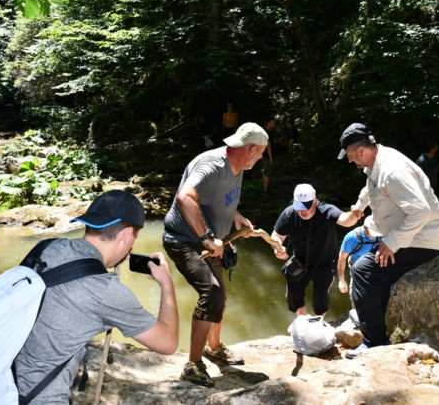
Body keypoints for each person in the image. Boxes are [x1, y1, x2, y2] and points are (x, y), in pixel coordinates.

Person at [14, 190, 179, 404]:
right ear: (125, 235)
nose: (132, 246)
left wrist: (104, 263)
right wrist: (166, 283)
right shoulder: (106, 291)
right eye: (134, 238)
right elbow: (168, 343)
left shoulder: (47, 247)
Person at [162, 122, 268, 387]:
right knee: (212, 293)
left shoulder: (239, 165)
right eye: (261, 153)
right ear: (251, 149)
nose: (262, 158)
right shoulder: (212, 165)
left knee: (220, 293)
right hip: (184, 239)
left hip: (212, 241)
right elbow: (186, 197)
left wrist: (238, 217)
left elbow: (221, 199)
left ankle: (214, 347)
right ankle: (192, 365)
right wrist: (207, 237)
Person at [337, 123, 439, 358]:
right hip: (411, 235)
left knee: (363, 271)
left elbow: (420, 211)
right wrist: (358, 208)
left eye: (349, 156)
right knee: (375, 272)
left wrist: (392, 242)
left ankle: (374, 343)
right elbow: (371, 188)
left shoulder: (393, 171)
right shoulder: (378, 161)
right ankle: (374, 323)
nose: (349, 161)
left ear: (360, 151)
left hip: (424, 239)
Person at [271, 183, 359, 320]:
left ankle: (317, 322)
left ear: (315, 201)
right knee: (293, 293)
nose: (302, 211)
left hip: (325, 262)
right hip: (300, 259)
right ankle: (303, 320)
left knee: (320, 297)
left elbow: (345, 221)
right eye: (299, 207)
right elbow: (276, 235)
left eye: (306, 206)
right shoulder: (289, 214)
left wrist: (354, 215)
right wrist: (278, 247)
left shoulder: (326, 210)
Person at [337, 215, 382, 325]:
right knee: (357, 298)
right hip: (357, 270)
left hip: (376, 269)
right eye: (372, 233)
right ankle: (358, 320)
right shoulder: (352, 237)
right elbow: (342, 258)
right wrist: (341, 279)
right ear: (365, 227)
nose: (374, 236)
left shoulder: (381, 233)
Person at [262, 118, 276, 195]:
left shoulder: (266, 132)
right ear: (268, 123)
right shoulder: (267, 133)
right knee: (267, 173)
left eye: (274, 124)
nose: (273, 125)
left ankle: (265, 188)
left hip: (264, 155)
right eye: (272, 124)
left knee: (265, 172)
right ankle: (265, 190)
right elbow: (268, 146)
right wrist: (270, 157)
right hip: (267, 156)